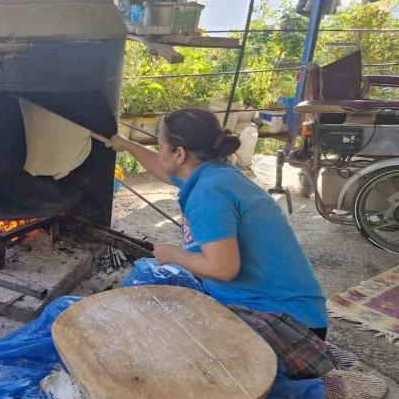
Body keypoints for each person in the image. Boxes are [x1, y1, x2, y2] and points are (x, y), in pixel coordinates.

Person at [109, 108, 334, 378]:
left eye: (160, 147)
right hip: (292, 311)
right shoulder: (215, 173)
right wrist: (126, 144)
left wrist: (174, 254)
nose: (158, 154)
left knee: (165, 348)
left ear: (179, 154)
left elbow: (223, 269)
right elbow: (164, 169)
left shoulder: (208, 194)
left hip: (290, 325)